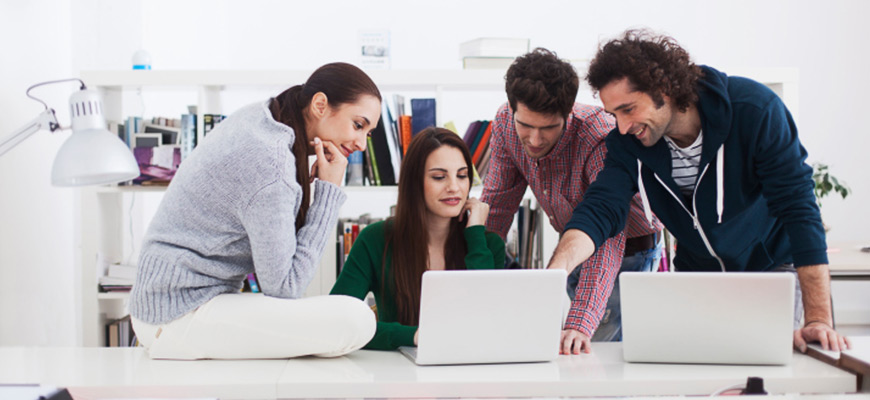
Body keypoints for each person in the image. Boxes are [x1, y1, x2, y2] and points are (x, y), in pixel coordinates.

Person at [548, 29, 850, 353]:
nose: (621, 126)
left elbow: (799, 210)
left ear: (664, 89)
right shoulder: (627, 143)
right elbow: (600, 208)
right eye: (613, 114)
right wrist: (553, 276)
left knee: (770, 379)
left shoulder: (754, 110)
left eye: (629, 109)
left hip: (774, 272)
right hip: (699, 278)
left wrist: (818, 318)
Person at [128, 62, 381, 359]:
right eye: (358, 125)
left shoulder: (265, 117)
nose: (362, 144)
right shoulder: (272, 165)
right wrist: (329, 193)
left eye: (369, 133)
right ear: (320, 105)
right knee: (358, 319)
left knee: (344, 317)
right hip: (175, 313)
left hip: (172, 301)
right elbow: (285, 289)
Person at [480, 48, 663, 355]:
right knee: (564, 350)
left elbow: (606, 236)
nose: (535, 140)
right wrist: (475, 278)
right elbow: (497, 207)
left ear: (568, 113)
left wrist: (580, 321)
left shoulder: (599, 136)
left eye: (549, 128)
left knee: (595, 354)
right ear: (512, 109)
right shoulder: (503, 124)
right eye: (526, 125)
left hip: (629, 249)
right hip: (568, 249)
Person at [331, 127, 506, 350]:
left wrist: (475, 235)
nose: (454, 187)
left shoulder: (487, 244)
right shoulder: (375, 239)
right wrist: (414, 336)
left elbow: (488, 322)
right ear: (415, 182)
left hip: (470, 371)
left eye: (462, 176)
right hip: (397, 374)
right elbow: (337, 321)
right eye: (439, 177)